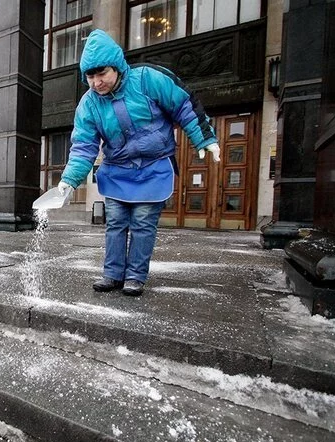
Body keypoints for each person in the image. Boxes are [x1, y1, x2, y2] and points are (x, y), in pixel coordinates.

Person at [58, 29, 220, 296]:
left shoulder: (147, 79)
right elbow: (84, 146)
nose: (97, 82)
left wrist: (203, 138)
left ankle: (135, 276)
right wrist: (69, 180)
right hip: (118, 170)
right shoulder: (89, 104)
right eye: (90, 76)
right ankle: (112, 274)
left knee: (143, 223)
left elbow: (184, 105)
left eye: (102, 74)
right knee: (116, 222)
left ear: (117, 67)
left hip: (154, 167)